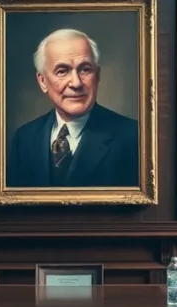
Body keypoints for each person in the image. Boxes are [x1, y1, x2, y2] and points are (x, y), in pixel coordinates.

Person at [7, 29, 139, 188]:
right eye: (62, 71)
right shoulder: (23, 139)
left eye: (85, 69)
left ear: (97, 76)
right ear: (42, 82)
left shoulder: (134, 137)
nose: (76, 83)